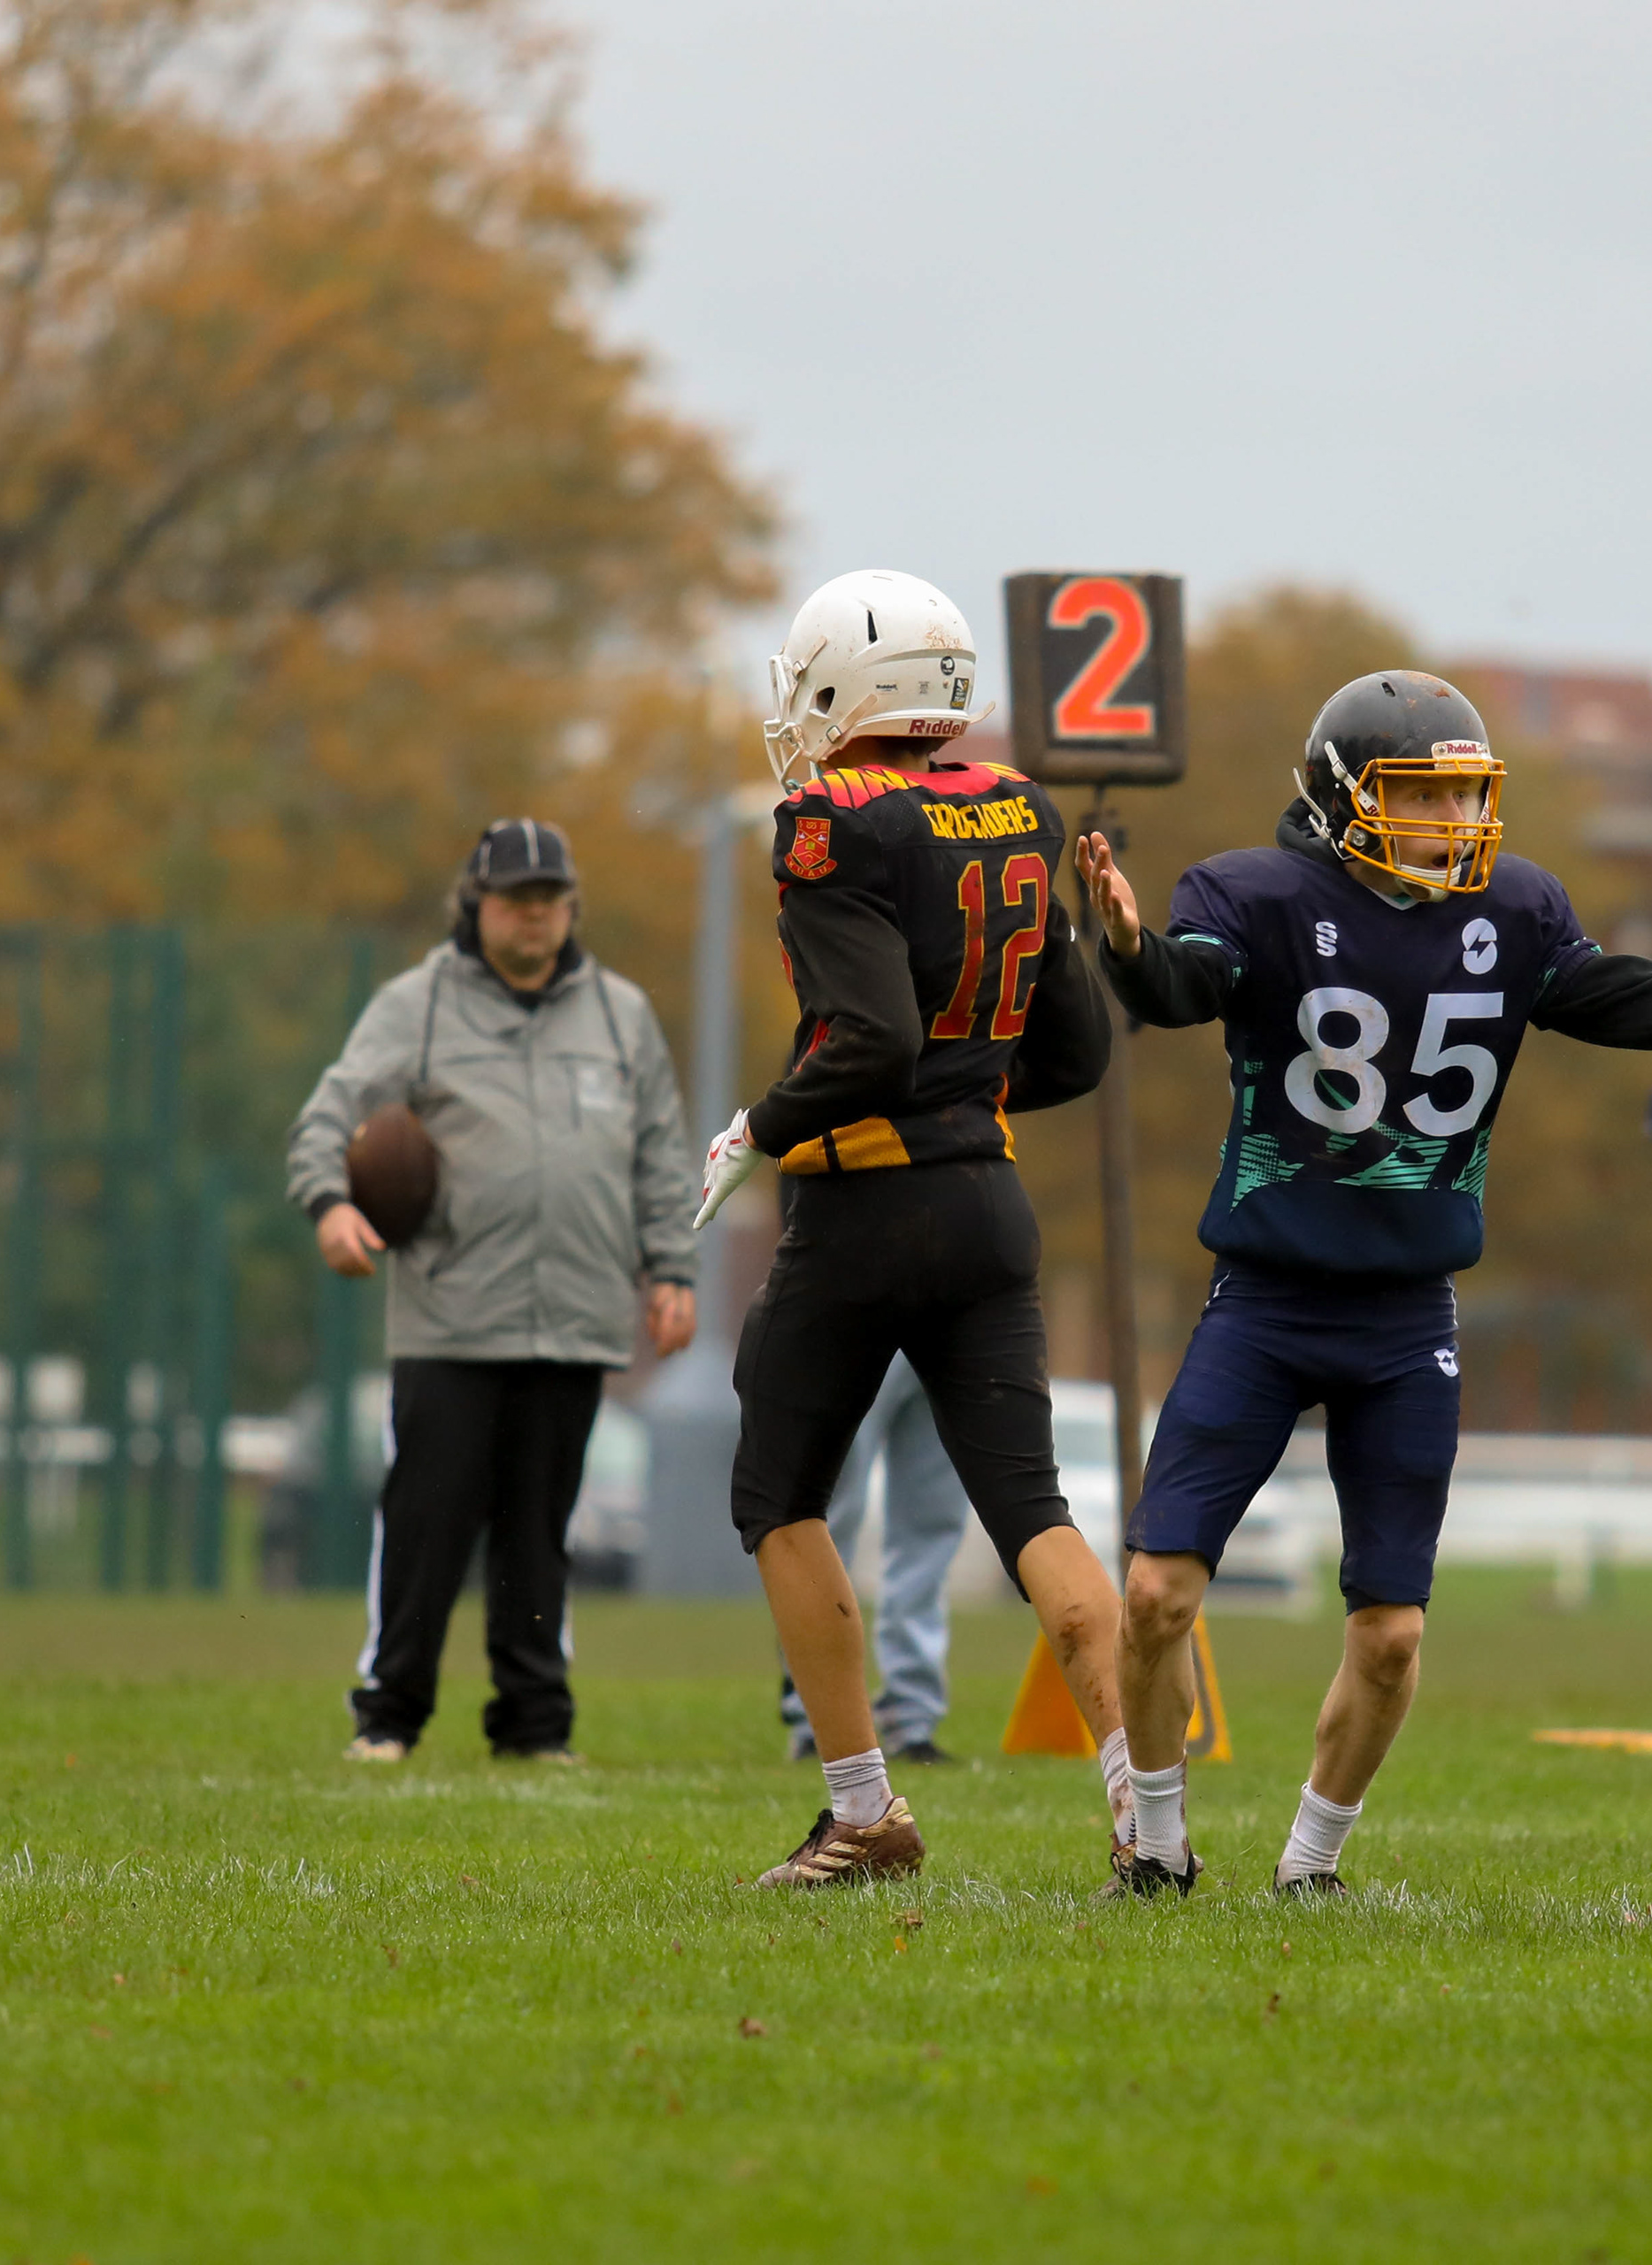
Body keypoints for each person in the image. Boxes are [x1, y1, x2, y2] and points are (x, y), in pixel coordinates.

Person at [1073, 669, 1652, 1899]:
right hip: (1264, 1298)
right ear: (1337, 800)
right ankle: (1154, 1847)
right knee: (1155, 1592)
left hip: (1406, 1310)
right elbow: (1174, 989)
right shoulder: (1257, 894)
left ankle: (1310, 1869)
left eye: (1467, 799)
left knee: (1392, 1633)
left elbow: (1637, 1003)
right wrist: (1124, 942)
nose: (1452, 827)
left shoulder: (1514, 909)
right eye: (1420, 799)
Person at [688, 567, 1129, 1891]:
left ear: (841, 687)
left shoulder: (830, 820)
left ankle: (865, 1811)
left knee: (778, 1497)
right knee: (1033, 1510)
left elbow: (869, 1038)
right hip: (987, 1204)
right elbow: (1078, 1046)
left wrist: (759, 1126)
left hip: (865, 1206)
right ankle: (1146, 1818)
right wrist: (965, 1091)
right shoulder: (1013, 804)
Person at [287, 818, 697, 1764]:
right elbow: (328, 1118)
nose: (535, 918)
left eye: (551, 901)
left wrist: (670, 1267)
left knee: (539, 1532)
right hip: (450, 1314)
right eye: (517, 901)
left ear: (571, 908)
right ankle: (388, 1716)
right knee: (427, 1523)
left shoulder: (621, 1013)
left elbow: (658, 1158)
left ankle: (534, 1725)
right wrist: (329, 1206)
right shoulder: (416, 1005)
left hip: (578, 1318)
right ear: (475, 904)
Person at [779, 1355, 971, 1765]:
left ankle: (912, 1717)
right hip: (856, 1305)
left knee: (934, 1519)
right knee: (826, 1511)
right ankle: (815, 1714)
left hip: (954, 1310)